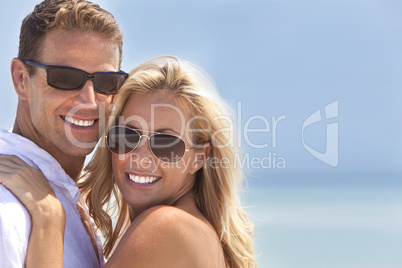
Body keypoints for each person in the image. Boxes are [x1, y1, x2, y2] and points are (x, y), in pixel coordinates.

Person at [0, 56, 257, 267]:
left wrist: (49, 217)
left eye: (165, 143)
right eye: (127, 136)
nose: (141, 156)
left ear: (198, 158)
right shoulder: (194, 229)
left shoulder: (167, 226)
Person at [0, 0, 127, 267]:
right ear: (21, 79)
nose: (89, 101)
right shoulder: (7, 206)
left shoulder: (67, 198)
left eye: (106, 82)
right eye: (66, 78)